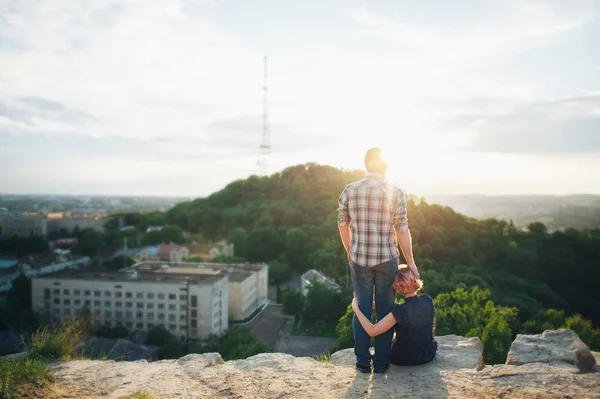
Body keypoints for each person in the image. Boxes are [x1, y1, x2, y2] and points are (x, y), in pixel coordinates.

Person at [338, 147, 419, 374]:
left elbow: (342, 224)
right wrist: (410, 262)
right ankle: (382, 363)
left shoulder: (350, 190)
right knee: (386, 311)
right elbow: (402, 229)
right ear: (385, 166)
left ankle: (363, 363)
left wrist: (349, 250)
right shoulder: (395, 192)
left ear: (366, 165)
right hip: (387, 260)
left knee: (361, 308)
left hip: (359, 259)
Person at [352, 265, 437, 367]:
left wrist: (356, 308)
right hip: (428, 354)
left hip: (404, 358)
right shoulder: (428, 299)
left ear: (397, 286)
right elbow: (412, 312)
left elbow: (372, 331)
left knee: (387, 343)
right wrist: (374, 305)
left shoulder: (400, 311)